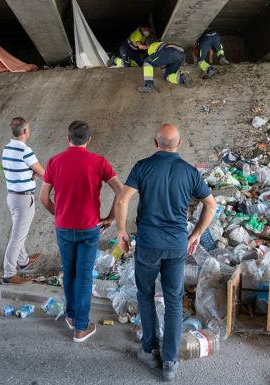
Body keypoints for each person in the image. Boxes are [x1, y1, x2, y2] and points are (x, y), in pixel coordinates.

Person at [115, 123, 217, 381]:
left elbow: (122, 199)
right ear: (179, 144)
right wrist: (195, 234)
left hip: (148, 244)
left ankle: (149, 350)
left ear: (155, 142)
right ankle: (170, 361)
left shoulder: (142, 167)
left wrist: (121, 232)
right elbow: (210, 204)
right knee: (173, 301)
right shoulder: (189, 172)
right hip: (176, 246)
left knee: (146, 295)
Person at [40, 120, 123, 343]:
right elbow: (120, 190)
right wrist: (111, 217)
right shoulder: (99, 162)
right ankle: (80, 327)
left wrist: (57, 214)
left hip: (64, 227)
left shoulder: (54, 161)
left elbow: (43, 197)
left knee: (69, 271)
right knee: (84, 276)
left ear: (68, 139)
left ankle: (71, 315)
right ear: (89, 140)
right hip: (89, 228)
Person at [1, 117, 46, 284]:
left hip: (12, 196)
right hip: (24, 199)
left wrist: (30, 174)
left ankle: (23, 261)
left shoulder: (7, 148)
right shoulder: (25, 151)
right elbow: (43, 172)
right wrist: (35, 174)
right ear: (25, 131)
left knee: (19, 232)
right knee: (17, 237)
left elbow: (16, 169)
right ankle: (9, 273)